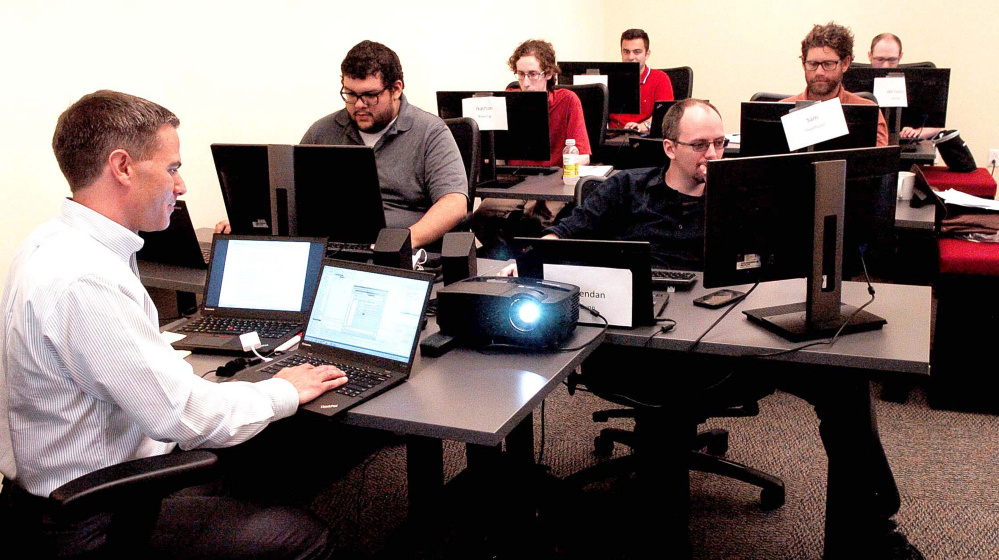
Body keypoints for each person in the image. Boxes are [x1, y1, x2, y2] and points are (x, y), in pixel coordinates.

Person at [505, 99, 925, 560]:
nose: (713, 155)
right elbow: (567, 233)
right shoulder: (627, 188)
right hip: (645, 348)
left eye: (719, 143)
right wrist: (528, 263)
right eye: (700, 145)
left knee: (844, 382)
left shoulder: (746, 193)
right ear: (669, 147)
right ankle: (664, 542)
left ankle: (870, 532)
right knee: (663, 398)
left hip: (731, 345)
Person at [0, 90, 346, 558]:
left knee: (260, 459)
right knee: (304, 536)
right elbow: (187, 416)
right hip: (94, 520)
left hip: (50, 491)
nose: (181, 187)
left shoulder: (51, 242)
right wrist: (285, 388)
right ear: (122, 167)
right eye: (172, 169)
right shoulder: (85, 279)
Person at [217, 40, 468, 250]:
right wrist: (248, 225)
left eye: (370, 95)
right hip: (331, 246)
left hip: (399, 250)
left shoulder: (430, 132)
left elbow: (454, 203)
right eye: (350, 94)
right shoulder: (323, 131)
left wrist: (404, 240)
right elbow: (290, 194)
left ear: (396, 89)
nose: (358, 104)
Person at [472, 39, 592, 260]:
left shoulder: (567, 100)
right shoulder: (509, 97)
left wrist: (565, 165)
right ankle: (507, 261)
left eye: (533, 74)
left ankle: (529, 265)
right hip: (518, 181)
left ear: (548, 74)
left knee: (535, 219)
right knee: (482, 215)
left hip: (554, 183)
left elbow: (583, 155)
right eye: (520, 74)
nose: (525, 82)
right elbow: (496, 150)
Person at [782, 22, 889, 147]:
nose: (819, 72)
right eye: (812, 64)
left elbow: (877, 163)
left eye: (828, 64)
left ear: (845, 63)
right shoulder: (782, 111)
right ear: (803, 63)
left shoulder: (868, 112)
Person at [869, 33, 945, 141]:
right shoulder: (852, 84)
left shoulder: (918, 85)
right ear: (870, 56)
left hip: (907, 145)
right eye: (880, 59)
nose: (885, 65)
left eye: (892, 60)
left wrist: (918, 132)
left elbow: (937, 127)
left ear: (900, 56)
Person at [608, 28, 675, 134]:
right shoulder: (609, 78)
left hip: (643, 137)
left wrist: (644, 125)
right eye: (626, 52)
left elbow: (665, 115)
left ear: (647, 54)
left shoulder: (660, 79)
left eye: (637, 52)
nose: (631, 57)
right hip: (612, 139)